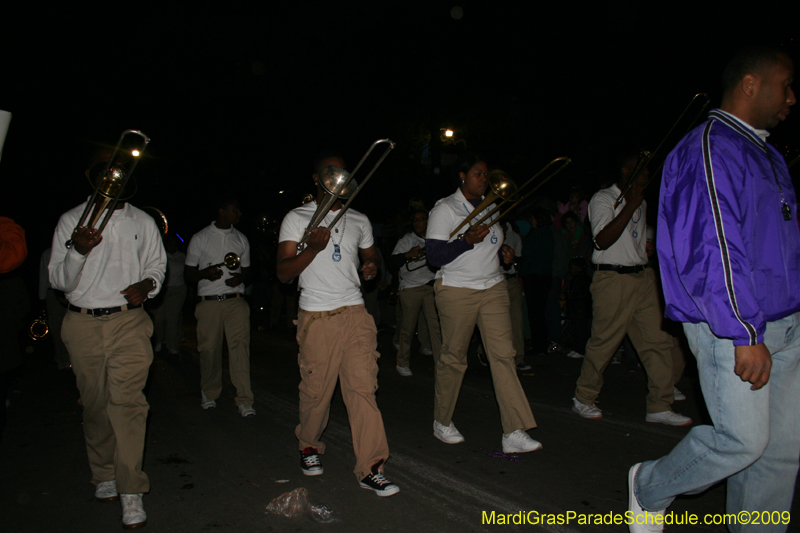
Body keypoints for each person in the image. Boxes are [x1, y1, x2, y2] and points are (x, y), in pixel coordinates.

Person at [629, 46, 799, 532]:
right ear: (751, 84)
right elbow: (713, 246)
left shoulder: (766, 152)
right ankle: (649, 486)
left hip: (786, 323)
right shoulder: (710, 145)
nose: (792, 97)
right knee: (741, 441)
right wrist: (745, 331)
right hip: (736, 324)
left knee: (781, 454)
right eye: (785, 84)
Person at [49, 155, 166, 530]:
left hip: (128, 322)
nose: (113, 181)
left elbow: (156, 265)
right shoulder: (71, 220)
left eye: (120, 175)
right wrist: (78, 250)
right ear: (92, 177)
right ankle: (104, 473)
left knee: (129, 403)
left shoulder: (143, 221)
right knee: (96, 405)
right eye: (107, 174)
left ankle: (132, 490)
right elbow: (59, 282)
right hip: (82, 322)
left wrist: (147, 285)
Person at [276, 152, 399, 497]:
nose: (339, 178)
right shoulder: (295, 218)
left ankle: (371, 467)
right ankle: (309, 445)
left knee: (363, 389)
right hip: (317, 317)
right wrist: (312, 250)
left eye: (343, 172)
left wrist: (372, 266)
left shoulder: (359, 218)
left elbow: (371, 256)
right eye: (331, 173)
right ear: (317, 178)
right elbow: (283, 273)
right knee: (317, 393)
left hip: (356, 314)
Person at [426, 153, 540, 453]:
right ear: (462, 176)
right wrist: (465, 241)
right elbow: (434, 256)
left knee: (504, 356)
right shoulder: (445, 208)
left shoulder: (492, 207)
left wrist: (503, 252)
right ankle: (442, 421)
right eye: (478, 173)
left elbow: (492, 243)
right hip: (457, 290)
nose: (485, 179)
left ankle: (513, 431)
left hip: (492, 288)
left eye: (487, 174)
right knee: (454, 358)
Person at [571, 151, 690, 426]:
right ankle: (583, 397)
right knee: (605, 342)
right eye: (643, 171)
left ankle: (660, 405)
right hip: (613, 279)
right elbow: (601, 240)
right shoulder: (603, 198)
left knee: (657, 342)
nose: (648, 176)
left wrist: (645, 244)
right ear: (626, 171)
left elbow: (635, 234)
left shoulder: (641, 201)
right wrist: (630, 204)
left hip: (642, 277)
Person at [185, 197, 255, 417]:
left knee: (240, 349)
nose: (239, 214)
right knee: (209, 349)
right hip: (209, 301)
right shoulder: (200, 237)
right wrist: (205, 273)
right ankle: (210, 393)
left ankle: (244, 399)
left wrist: (239, 279)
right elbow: (188, 274)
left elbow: (247, 271)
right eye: (235, 209)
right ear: (222, 211)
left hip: (235, 300)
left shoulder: (241, 239)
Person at [389, 209, 442, 377]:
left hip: (430, 286)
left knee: (435, 327)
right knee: (408, 328)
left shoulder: (434, 239)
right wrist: (408, 255)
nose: (418, 222)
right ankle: (402, 362)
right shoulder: (407, 240)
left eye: (422, 219)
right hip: (411, 288)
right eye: (415, 220)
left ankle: (441, 365)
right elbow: (392, 263)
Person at [152, 234, 186, 355]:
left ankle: (172, 344)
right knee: (159, 318)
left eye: (174, 243)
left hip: (178, 290)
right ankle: (159, 341)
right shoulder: (161, 256)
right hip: (163, 291)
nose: (171, 246)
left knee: (173, 318)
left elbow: (188, 273)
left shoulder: (182, 257)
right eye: (169, 243)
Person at [38, 247, 70, 369]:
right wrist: (42, 299)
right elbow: (43, 276)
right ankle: (60, 358)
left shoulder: (73, 250)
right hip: (53, 292)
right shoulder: (48, 253)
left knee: (72, 326)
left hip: (71, 292)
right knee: (56, 326)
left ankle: (73, 357)